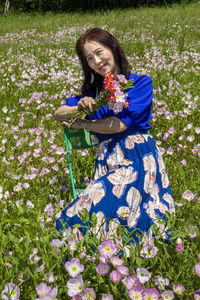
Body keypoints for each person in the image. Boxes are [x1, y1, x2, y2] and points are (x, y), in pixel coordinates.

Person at [55, 28, 175, 244]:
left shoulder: (140, 83)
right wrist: (80, 106)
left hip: (138, 159)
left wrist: (84, 123)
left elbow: (119, 124)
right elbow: (58, 113)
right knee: (95, 216)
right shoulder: (94, 93)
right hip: (108, 158)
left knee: (99, 211)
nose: (96, 61)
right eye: (89, 59)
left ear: (113, 47)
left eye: (99, 52)